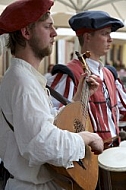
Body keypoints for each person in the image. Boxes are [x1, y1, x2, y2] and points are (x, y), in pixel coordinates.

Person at [0, 1, 103, 190]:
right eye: (48, 26)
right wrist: (87, 138)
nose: (54, 33)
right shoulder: (22, 81)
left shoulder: (26, 77)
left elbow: (45, 125)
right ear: (26, 32)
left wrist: (79, 99)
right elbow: (40, 143)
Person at [47, 10, 126, 149]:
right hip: (87, 158)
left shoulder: (109, 73)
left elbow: (122, 112)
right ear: (88, 37)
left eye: (110, 33)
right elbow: (55, 122)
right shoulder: (68, 74)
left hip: (112, 153)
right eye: (104, 33)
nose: (110, 39)